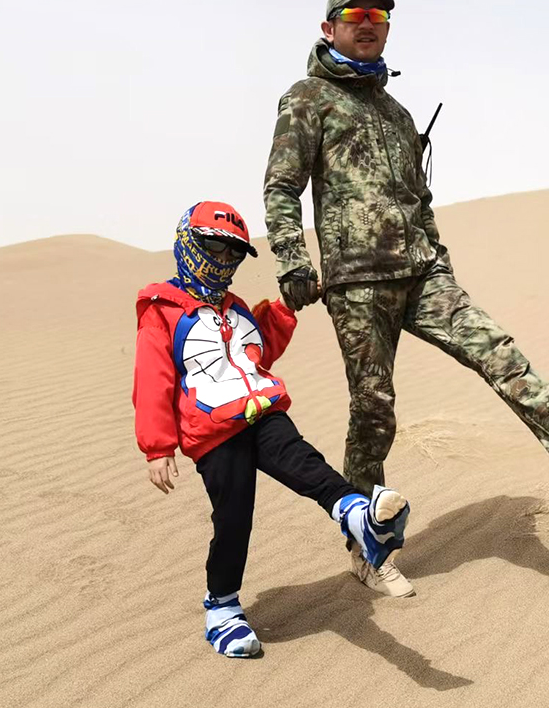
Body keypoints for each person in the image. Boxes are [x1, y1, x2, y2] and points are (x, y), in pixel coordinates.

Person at [263, 0, 549, 599]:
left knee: (493, 347)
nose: (368, 23)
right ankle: (369, 546)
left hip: (422, 272)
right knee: (374, 412)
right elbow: (282, 186)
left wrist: (439, 259)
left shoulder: (397, 115)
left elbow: (418, 201)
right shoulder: (307, 99)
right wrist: (291, 258)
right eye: (355, 13)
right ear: (329, 25)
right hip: (357, 282)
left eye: (380, 16)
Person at [132, 200, 411, 657]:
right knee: (234, 517)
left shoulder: (236, 308)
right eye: (214, 248)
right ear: (187, 242)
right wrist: (157, 447)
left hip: (262, 413)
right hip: (213, 433)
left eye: (233, 254)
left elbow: (257, 351)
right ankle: (222, 606)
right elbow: (152, 378)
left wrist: (286, 307)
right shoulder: (161, 308)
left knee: (305, 462)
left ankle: (358, 515)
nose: (223, 261)